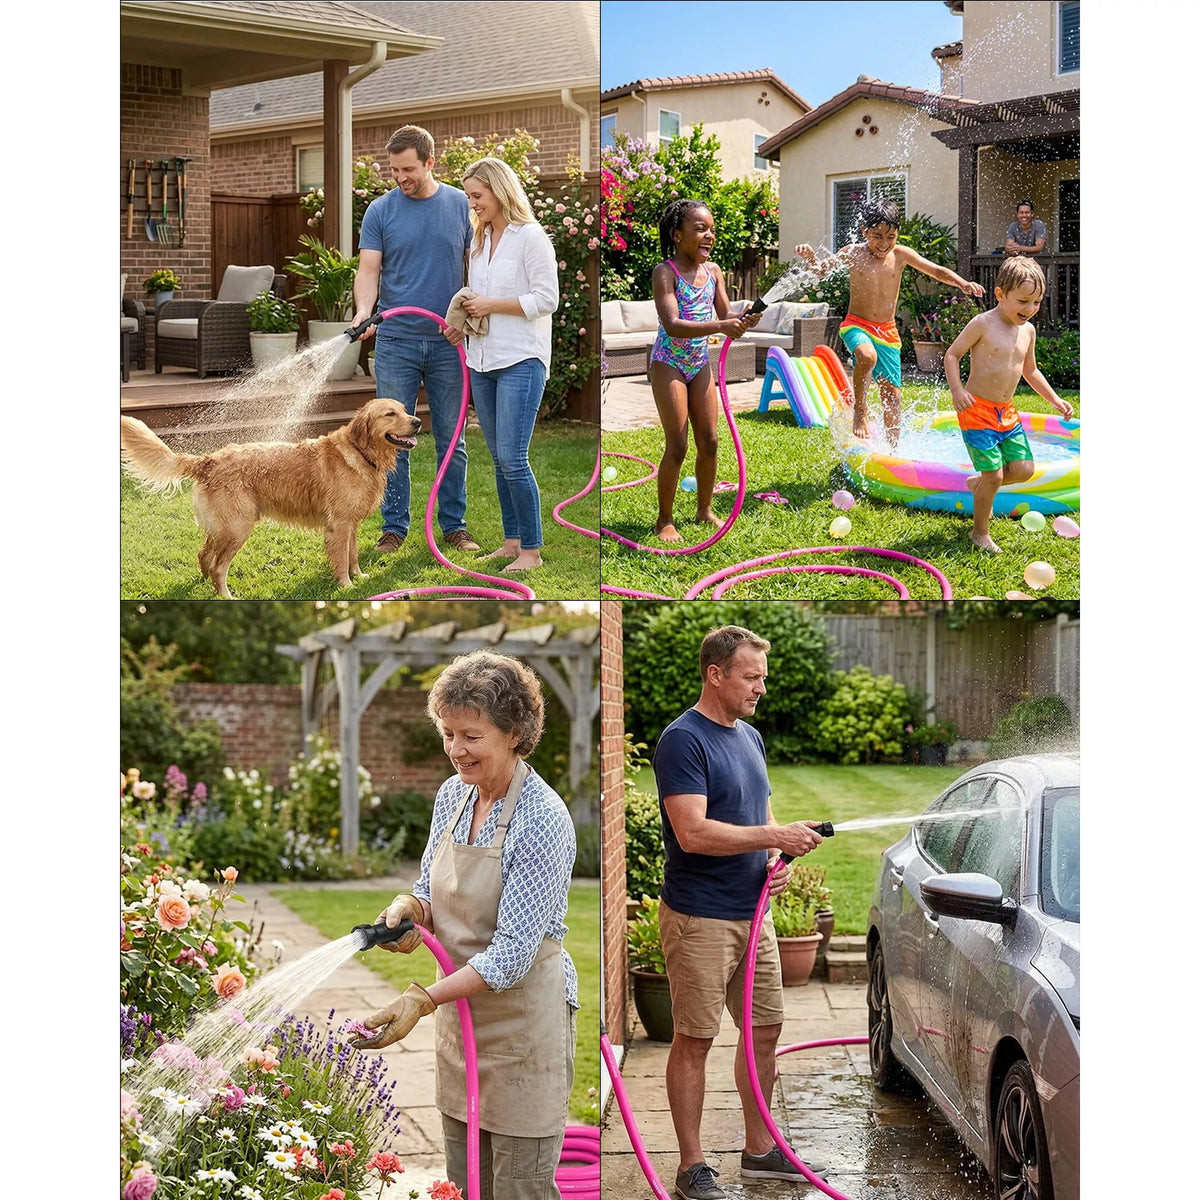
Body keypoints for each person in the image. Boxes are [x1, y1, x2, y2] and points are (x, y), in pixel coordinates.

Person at [352, 650, 578, 1200]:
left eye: (471, 736)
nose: (456, 749)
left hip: (523, 1029)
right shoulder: (454, 795)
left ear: (515, 733)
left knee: (518, 1187)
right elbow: (432, 889)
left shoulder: (541, 818)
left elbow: (511, 956)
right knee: (462, 1183)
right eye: (448, 733)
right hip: (461, 1024)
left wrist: (422, 1000)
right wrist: (411, 908)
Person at [652, 625, 828, 1200]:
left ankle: (758, 1150)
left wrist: (777, 855)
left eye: (763, 678)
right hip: (700, 917)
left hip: (755, 914)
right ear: (716, 674)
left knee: (765, 1029)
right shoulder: (683, 740)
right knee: (695, 1038)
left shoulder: (749, 737)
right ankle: (692, 1167)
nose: (761, 688)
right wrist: (774, 835)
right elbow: (693, 832)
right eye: (751, 678)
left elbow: (760, 813)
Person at [351, 125, 481, 558]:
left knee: (453, 440)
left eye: (408, 169)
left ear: (430, 162)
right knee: (391, 438)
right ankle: (393, 528)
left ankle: (454, 527)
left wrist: (465, 318)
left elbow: (478, 267)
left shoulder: (461, 205)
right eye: (394, 170)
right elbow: (369, 270)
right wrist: (363, 310)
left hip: (449, 342)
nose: (400, 177)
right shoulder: (380, 211)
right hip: (396, 342)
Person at [796, 198, 983, 446]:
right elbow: (820, 271)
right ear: (864, 231)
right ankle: (860, 410)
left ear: (898, 233)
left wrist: (962, 283)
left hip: (887, 332)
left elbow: (936, 270)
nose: (884, 243)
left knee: (892, 397)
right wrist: (810, 258)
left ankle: (893, 451)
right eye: (877, 236)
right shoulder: (852, 253)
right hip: (856, 324)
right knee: (867, 356)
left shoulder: (902, 255)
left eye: (890, 237)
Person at [456, 157, 559, 573]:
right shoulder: (480, 240)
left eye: (478, 196)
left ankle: (531, 552)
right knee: (499, 459)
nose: (473, 204)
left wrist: (491, 305)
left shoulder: (530, 237)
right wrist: (462, 321)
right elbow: (477, 298)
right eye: (469, 197)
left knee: (514, 458)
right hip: (482, 358)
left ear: (499, 191)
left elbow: (547, 299)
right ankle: (512, 541)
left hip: (521, 358)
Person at [944, 256, 1073, 553]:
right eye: (1023, 301)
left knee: (1024, 469)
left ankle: (978, 485)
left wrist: (1054, 399)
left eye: (1036, 302)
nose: (1030, 308)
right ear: (1000, 294)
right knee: (995, 475)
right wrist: (957, 390)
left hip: (1007, 412)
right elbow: (952, 355)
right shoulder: (983, 323)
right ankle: (979, 532)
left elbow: (1031, 371)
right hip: (976, 410)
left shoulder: (1028, 331)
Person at [649, 199, 760, 542]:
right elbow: (672, 324)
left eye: (711, 229)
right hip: (668, 362)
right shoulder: (665, 272)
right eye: (700, 229)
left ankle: (704, 510)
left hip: (699, 363)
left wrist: (743, 319)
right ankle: (664, 520)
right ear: (676, 234)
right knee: (678, 444)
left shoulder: (713, 272)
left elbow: (726, 315)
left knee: (710, 441)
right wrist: (723, 326)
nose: (709, 235)